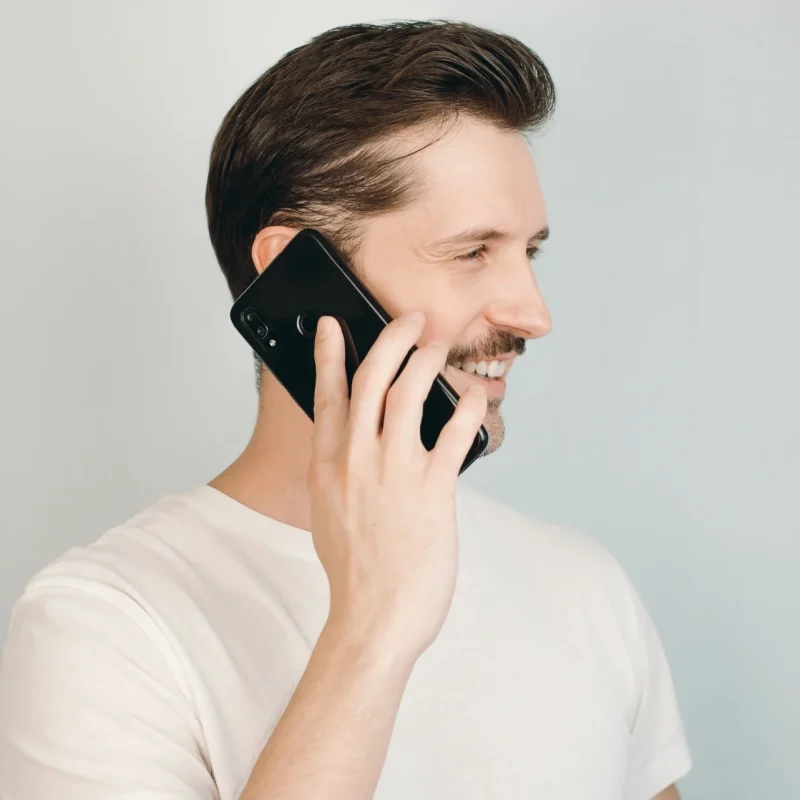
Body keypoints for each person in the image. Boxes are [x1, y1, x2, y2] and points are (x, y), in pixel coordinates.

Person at [0, 19, 692, 800]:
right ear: (298, 276)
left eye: (527, 253)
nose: (534, 314)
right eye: (472, 252)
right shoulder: (106, 626)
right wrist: (371, 630)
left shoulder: (585, 588)